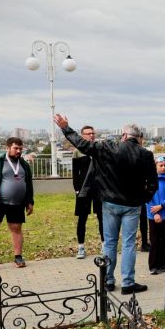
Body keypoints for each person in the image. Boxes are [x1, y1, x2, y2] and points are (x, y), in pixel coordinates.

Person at [55, 115, 156, 294]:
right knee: (128, 244)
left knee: (109, 243)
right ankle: (128, 283)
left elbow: (82, 144)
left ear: (124, 135)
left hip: (109, 202)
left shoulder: (107, 147)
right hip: (132, 205)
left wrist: (65, 128)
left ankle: (108, 281)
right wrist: (144, 198)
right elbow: (153, 183)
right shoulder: (146, 154)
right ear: (138, 137)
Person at [0, 137, 34, 272]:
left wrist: (30, 201)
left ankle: (18, 257)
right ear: (7, 148)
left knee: (16, 228)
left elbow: (29, 184)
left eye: (20, 149)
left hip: (17, 203)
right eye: (15, 148)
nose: (18, 151)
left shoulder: (24, 164)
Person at [71, 126, 103, 259]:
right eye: (88, 133)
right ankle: (81, 247)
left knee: (102, 217)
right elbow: (75, 173)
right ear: (82, 135)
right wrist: (77, 189)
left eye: (92, 133)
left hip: (99, 189)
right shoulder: (77, 152)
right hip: (84, 190)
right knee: (82, 218)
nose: (91, 135)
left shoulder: (99, 149)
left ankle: (104, 245)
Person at [147, 155, 165, 274]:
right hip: (154, 215)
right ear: (156, 166)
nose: (163, 168)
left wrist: (161, 206)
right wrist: (155, 213)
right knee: (155, 241)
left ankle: (164, 264)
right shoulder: (150, 180)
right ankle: (154, 265)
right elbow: (148, 198)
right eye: (161, 165)